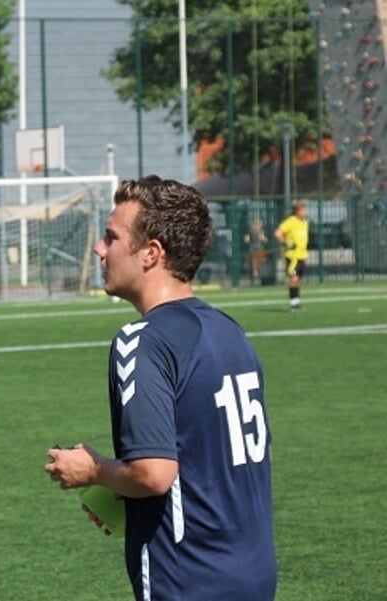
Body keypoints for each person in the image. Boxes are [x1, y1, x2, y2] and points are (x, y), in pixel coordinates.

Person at [44, 176, 276, 601]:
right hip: (253, 572)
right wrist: (124, 493)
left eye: (111, 238)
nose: (99, 249)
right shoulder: (230, 332)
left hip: (187, 577)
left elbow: (154, 474)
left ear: (150, 253)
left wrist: (93, 471)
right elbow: (237, 457)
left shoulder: (142, 340)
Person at [273, 201, 309, 310]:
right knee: (293, 277)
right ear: (297, 211)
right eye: (303, 210)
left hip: (302, 256)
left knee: (298, 279)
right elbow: (278, 233)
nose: (305, 212)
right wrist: (285, 243)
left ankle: (296, 301)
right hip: (293, 257)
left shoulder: (304, 223)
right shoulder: (290, 222)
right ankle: (293, 303)